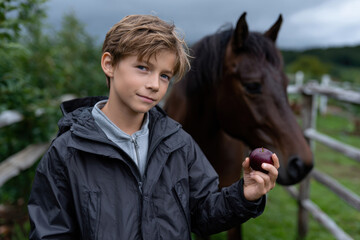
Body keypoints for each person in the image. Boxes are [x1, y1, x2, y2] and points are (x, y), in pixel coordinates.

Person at [28, 14, 279, 240]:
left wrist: (245, 195)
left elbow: (203, 213)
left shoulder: (178, 143)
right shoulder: (67, 152)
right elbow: (50, 233)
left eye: (164, 75)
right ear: (109, 64)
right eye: (143, 68)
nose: (155, 85)